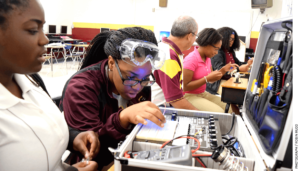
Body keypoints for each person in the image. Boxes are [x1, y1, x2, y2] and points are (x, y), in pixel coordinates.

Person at [0, 0, 99, 171]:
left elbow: (42, 125)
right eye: (32, 30)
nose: (44, 39)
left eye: (42, 29)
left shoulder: (31, 79)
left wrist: (73, 138)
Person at [60, 27, 167, 170]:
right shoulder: (81, 88)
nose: (137, 87)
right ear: (111, 63)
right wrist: (122, 119)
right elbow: (93, 155)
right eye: (130, 77)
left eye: (145, 78)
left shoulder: (143, 85)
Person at [183, 28, 239, 113]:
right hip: (189, 96)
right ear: (207, 44)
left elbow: (211, 79)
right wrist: (206, 79)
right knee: (219, 112)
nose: (217, 52)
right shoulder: (191, 59)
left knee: (231, 108)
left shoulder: (207, 58)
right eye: (216, 49)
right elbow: (185, 86)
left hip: (202, 93)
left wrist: (223, 70)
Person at [151, 15, 198, 110]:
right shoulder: (169, 57)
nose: (195, 40)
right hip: (161, 109)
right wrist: (201, 115)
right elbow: (175, 100)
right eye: (195, 36)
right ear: (189, 36)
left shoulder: (166, 48)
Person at [208, 27, 254, 95]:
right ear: (223, 38)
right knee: (239, 94)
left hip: (229, 80)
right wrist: (238, 69)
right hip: (218, 83)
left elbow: (237, 63)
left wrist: (248, 63)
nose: (231, 41)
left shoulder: (230, 51)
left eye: (233, 39)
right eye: (230, 39)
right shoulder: (218, 52)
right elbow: (219, 69)